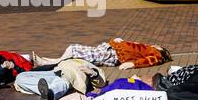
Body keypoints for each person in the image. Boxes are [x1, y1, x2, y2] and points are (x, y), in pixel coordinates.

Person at [13, 57, 104, 100]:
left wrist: (92, 73)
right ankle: (47, 90)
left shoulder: (88, 65)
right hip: (54, 72)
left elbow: (102, 82)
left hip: (69, 77)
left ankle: (50, 95)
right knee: (21, 77)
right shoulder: (68, 59)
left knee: (61, 83)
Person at [34, 38, 169, 71]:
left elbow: (148, 61)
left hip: (113, 54)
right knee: (76, 51)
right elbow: (132, 47)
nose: (156, 44)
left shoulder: (156, 53)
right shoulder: (148, 47)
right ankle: (51, 61)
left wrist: (132, 64)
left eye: (159, 46)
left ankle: (49, 62)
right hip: (111, 49)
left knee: (74, 49)